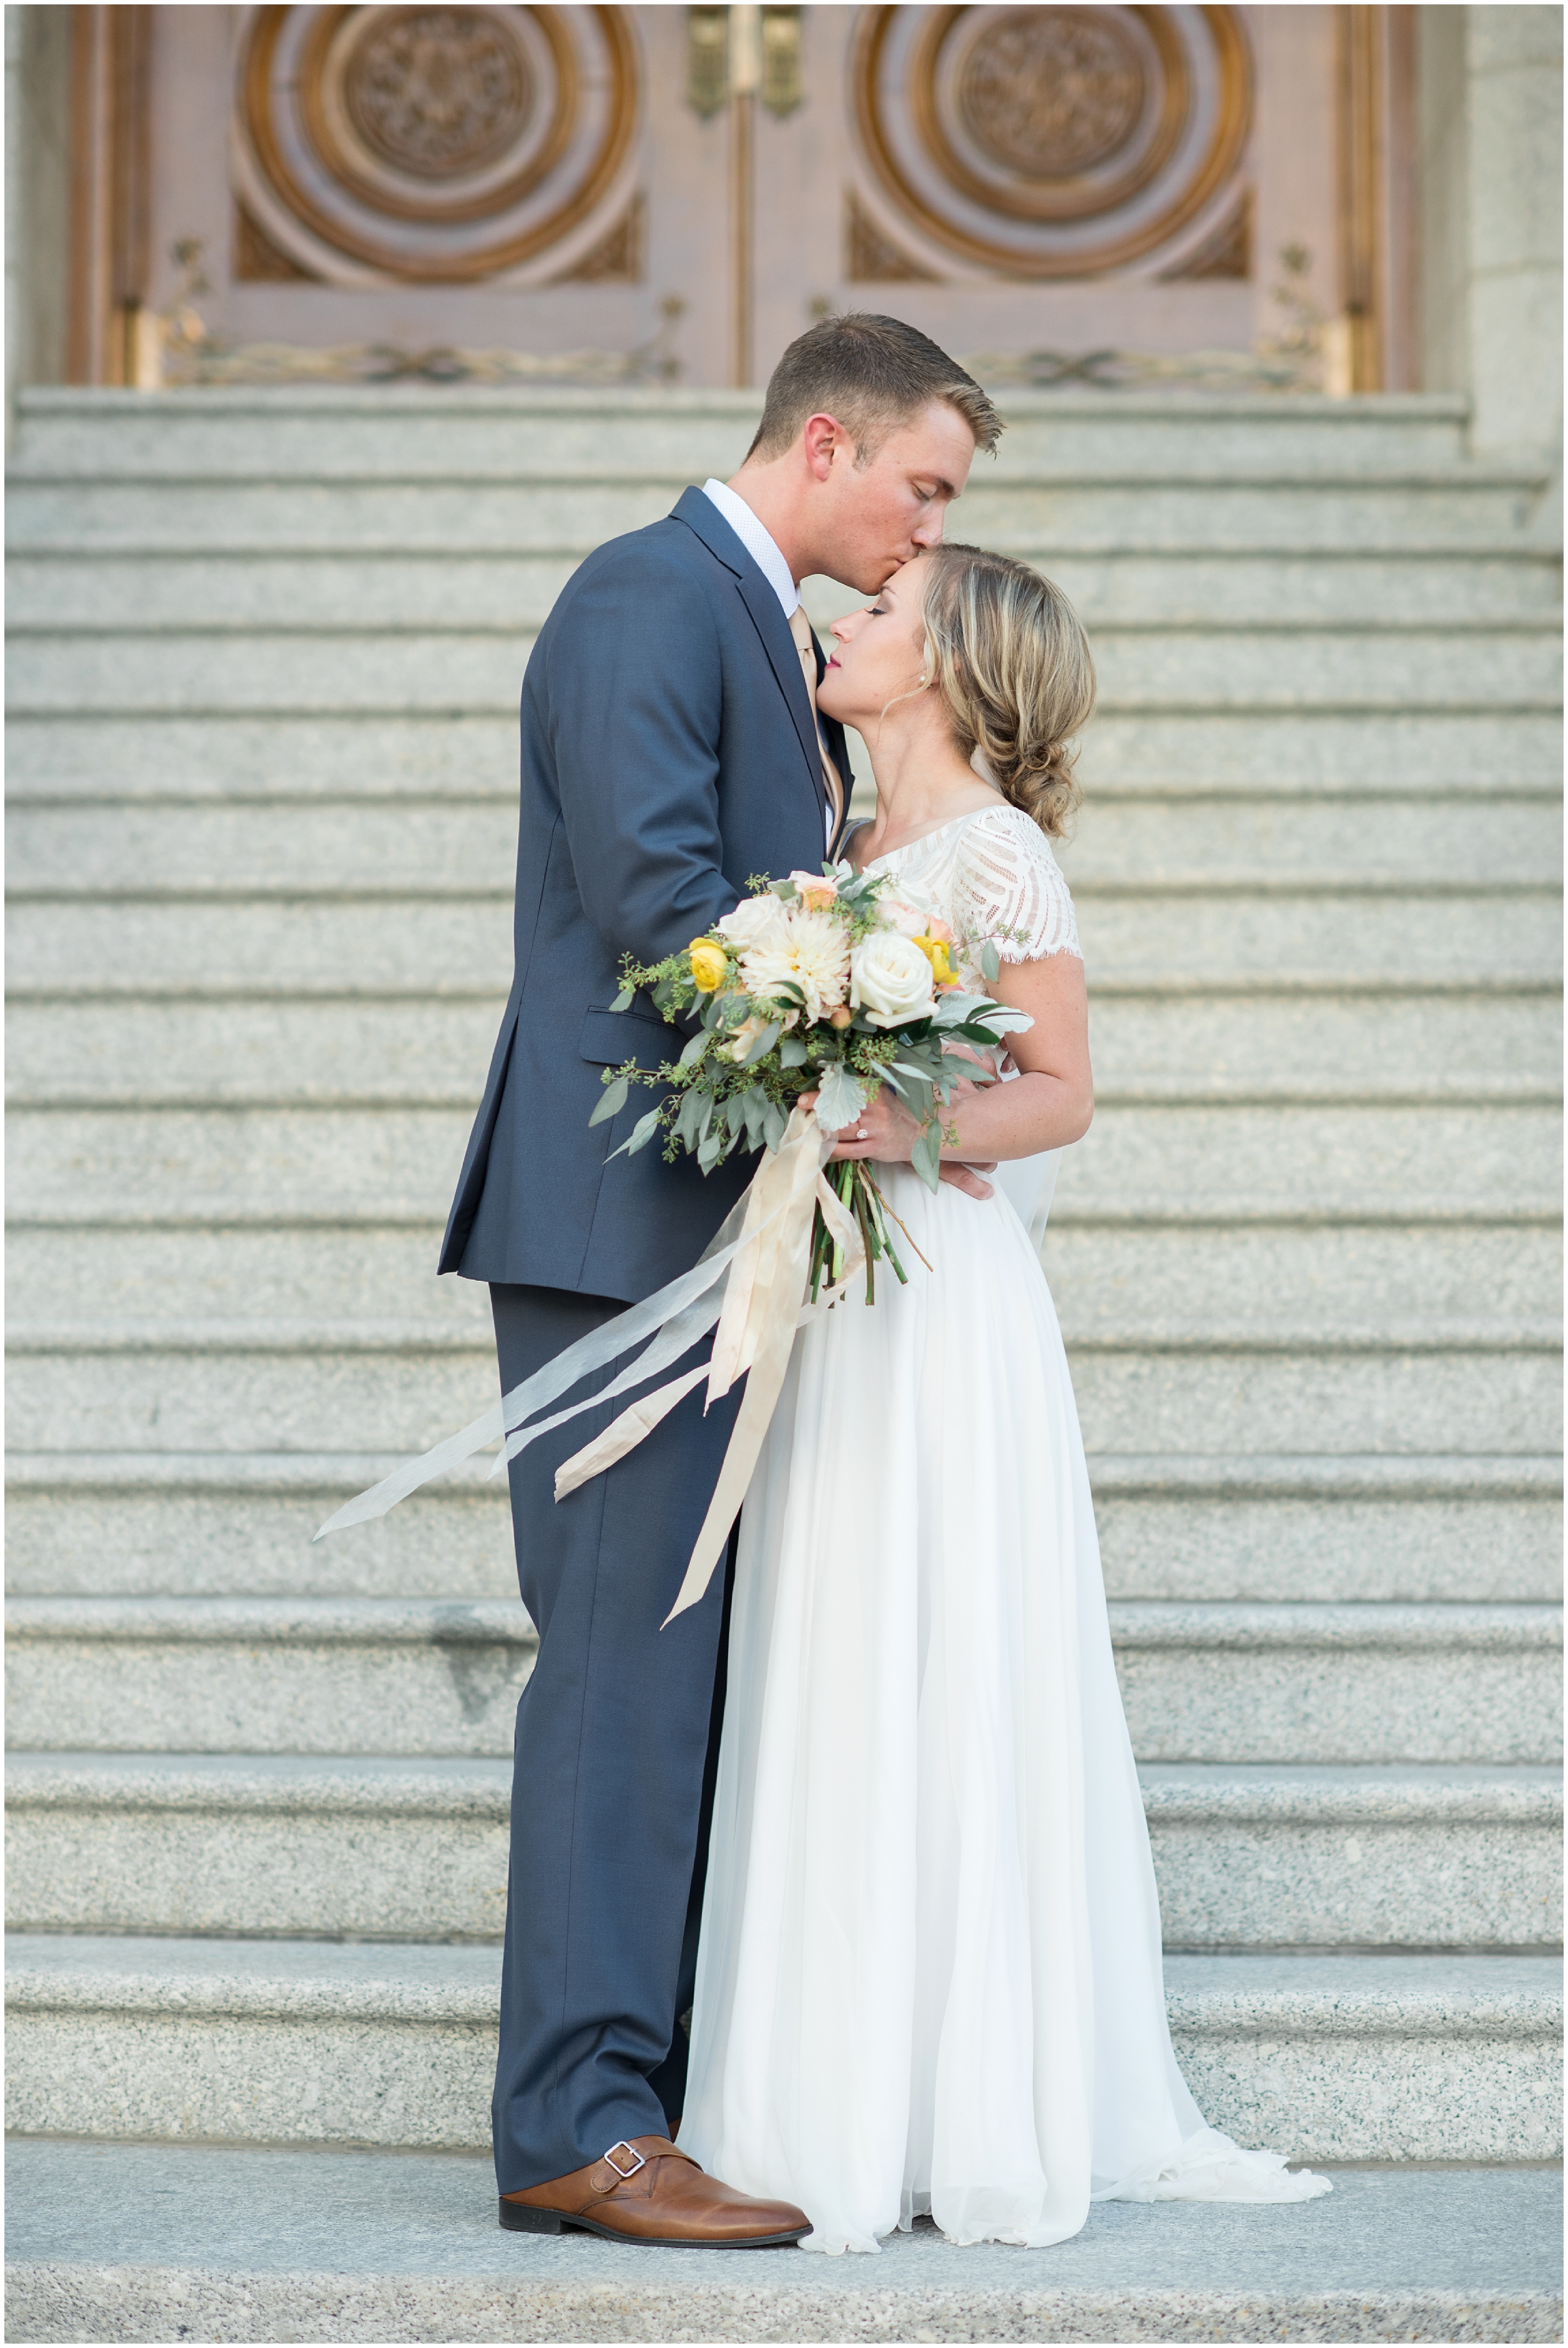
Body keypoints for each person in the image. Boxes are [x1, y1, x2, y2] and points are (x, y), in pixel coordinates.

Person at [677, 544, 1332, 2251]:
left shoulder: (994, 854)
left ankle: (956, 2101)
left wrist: (899, 1124)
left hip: (942, 1311)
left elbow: (1060, 1092)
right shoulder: (835, 846)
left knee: (937, 1658)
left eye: (878, 612)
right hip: (838, 1306)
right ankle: (818, 2093)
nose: (839, 624)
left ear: (949, 667)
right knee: (829, 1656)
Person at [437, 314, 1004, 2244]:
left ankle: (643, 2090)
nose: (923, 532)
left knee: (676, 1676)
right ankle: (580, 2126)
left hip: (705, 1227)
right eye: (920, 487)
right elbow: (663, 908)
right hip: (619, 1235)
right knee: (617, 1672)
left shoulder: (750, 621)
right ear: (826, 441)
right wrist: (870, 1024)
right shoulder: (645, 597)